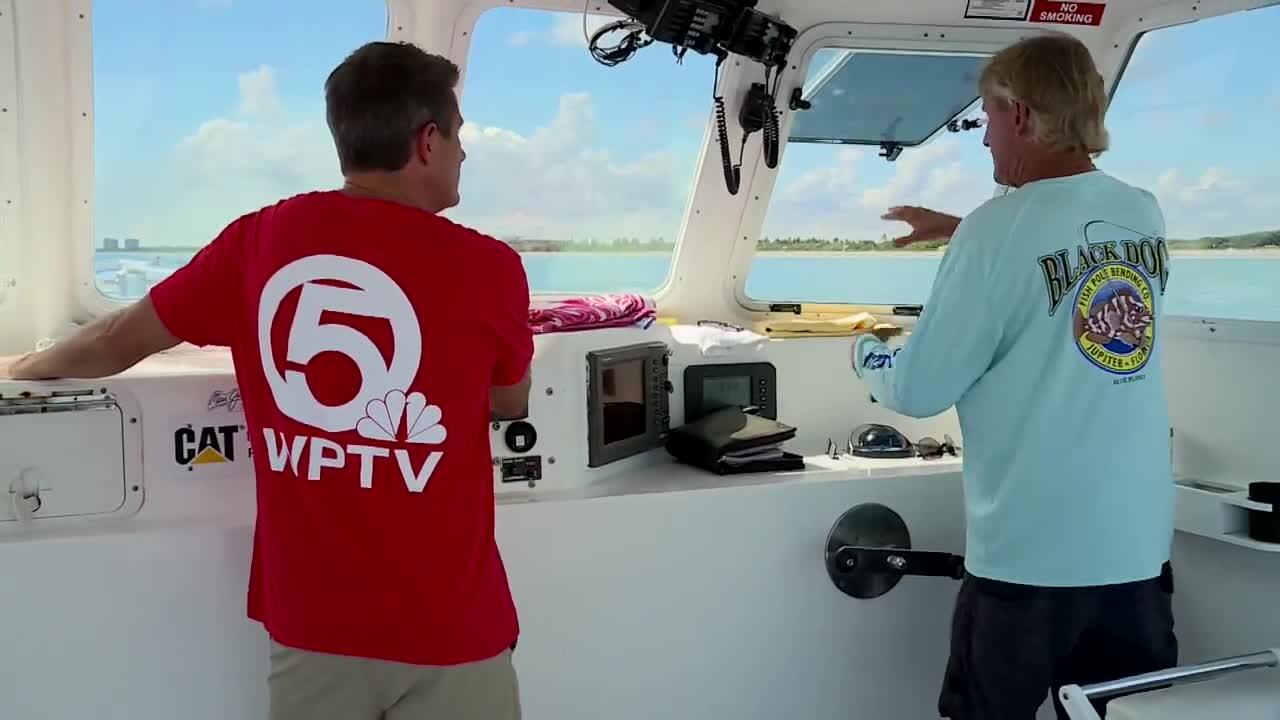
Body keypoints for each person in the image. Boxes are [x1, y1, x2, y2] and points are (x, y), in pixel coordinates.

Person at [3, 41, 531, 720]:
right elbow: (507, 399)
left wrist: (22, 368)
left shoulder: (261, 242)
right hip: (455, 627)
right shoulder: (490, 269)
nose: (464, 154)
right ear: (427, 142)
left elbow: (115, 340)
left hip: (316, 626)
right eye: (458, 137)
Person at [853, 32, 1177, 719]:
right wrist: (965, 226)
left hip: (1032, 565)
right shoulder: (1142, 212)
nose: (984, 140)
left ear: (1022, 114)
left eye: (987, 119)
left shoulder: (995, 233)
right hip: (1137, 557)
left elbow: (917, 390)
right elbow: (1060, 238)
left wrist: (867, 353)